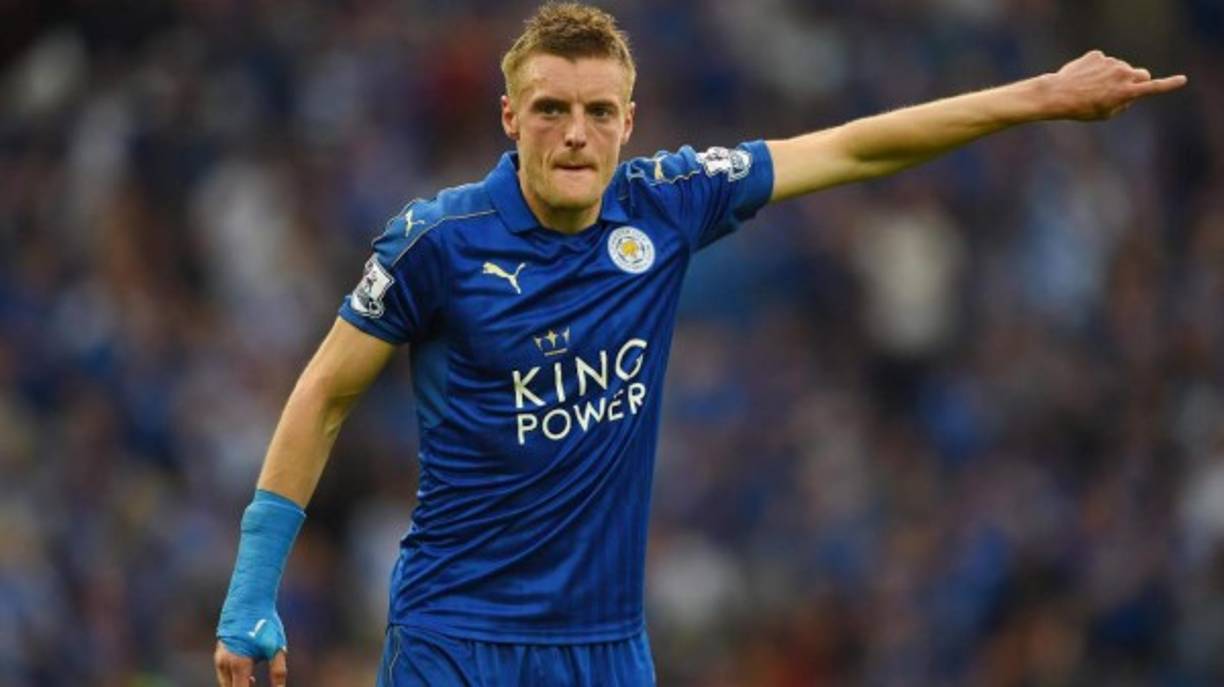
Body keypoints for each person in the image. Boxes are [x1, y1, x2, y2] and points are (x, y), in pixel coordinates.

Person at [212, 3, 1186, 685]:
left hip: (606, 650)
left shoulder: (668, 204)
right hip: (456, 642)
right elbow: (325, 393)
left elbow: (850, 147)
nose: (576, 133)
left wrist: (1039, 96)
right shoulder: (437, 242)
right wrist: (254, 586)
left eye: (599, 112)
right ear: (511, 118)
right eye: (551, 108)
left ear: (629, 124)